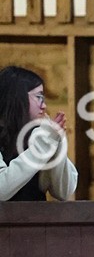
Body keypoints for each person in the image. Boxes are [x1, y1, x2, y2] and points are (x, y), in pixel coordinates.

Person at [0, 66, 78, 201]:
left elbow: (63, 191)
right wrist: (44, 143)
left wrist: (55, 141)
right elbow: (2, 190)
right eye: (38, 97)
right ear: (17, 98)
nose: (44, 106)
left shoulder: (37, 133)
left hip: (34, 221)